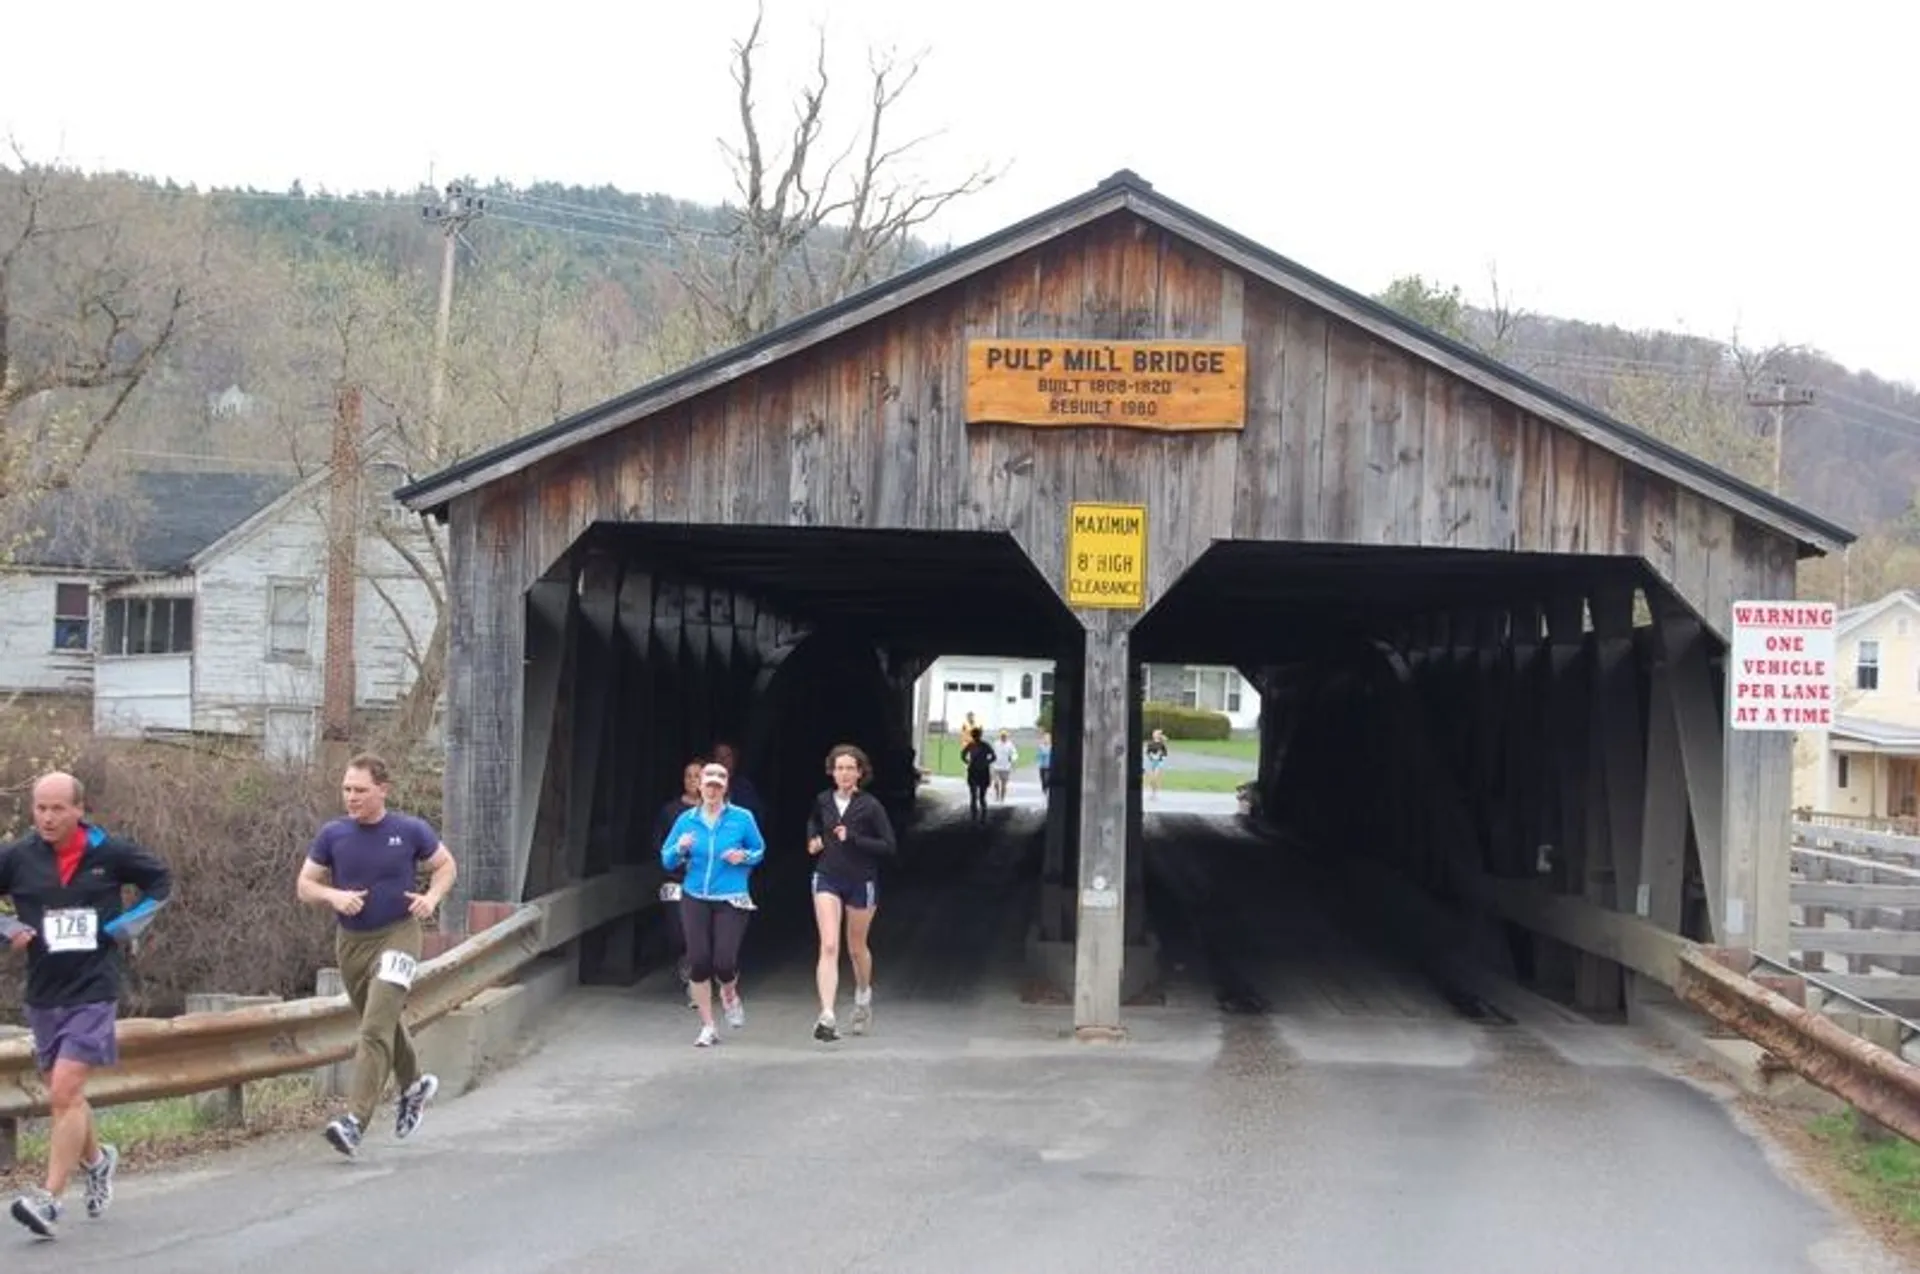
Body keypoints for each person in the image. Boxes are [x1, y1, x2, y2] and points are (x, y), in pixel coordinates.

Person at [0, 770, 172, 1240]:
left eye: (58, 808)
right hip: (44, 992)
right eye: (40, 808)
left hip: (94, 989)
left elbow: (161, 883)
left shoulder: (111, 853)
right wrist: (8, 929)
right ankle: (97, 1161)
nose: (48, 817)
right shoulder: (17, 857)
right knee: (65, 1093)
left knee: (63, 1091)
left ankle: (50, 1200)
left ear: (79, 809)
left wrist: (124, 927)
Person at [298, 752, 458, 1158]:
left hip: (400, 934)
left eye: (360, 790)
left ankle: (355, 1122)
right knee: (382, 1019)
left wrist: (432, 898)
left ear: (382, 790)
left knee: (372, 1029)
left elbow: (446, 866)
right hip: (351, 942)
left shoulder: (409, 830)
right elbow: (305, 885)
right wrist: (333, 894)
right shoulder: (333, 835)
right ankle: (415, 1084)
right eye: (347, 789)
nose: (351, 797)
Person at [660, 761, 766, 1047]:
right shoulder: (686, 821)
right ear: (699, 786)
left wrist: (743, 856)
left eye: (719, 784)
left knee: (724, 961)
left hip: (730, 897)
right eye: (708, 783)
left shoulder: (742, 818)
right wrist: (679, 847)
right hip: (694, 895)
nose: (713, 789)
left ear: (726, 787)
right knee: (698, 961)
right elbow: (666, 858)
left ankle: (729, 993)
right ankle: (708, 1025)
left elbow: (759, 850)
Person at [805, 744, 897, 1042]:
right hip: (827, 877)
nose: (844, 773)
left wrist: (854, 838)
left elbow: (888, 846)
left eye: (850, 768)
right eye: (839, 768)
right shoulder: (823, 800)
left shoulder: (870, 806)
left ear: (860, 772)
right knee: (829, 945)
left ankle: (862, 997)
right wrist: (813, 840)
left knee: (856, 948)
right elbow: (813, 823)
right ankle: (827, 1015)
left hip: (861, 880)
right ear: (832, 771)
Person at [652, 757, 706, 1008]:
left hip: (705, 881)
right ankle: (685, 961)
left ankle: (696, 983)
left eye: (697, 776)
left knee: (701, 932)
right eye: (688, 776)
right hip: (675, 879)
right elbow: (659, 842)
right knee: (678, 932)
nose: (692, 780)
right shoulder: (670, 811)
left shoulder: (717, 811)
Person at [710, 741, 762, 821]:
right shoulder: (708, 785)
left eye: (727, 756)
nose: (722, 760)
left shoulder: (744, 787)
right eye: (719, 756)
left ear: (734, 759)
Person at [961, 727, 995, 824]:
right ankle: (982, 815)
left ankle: (974, 816)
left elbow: (963, 755)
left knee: (974, 795)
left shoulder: (971, 745)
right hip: (982, 771)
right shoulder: (985, 745)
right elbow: (993, 757)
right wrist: (986, 762)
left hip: (974, 770)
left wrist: (968, 762)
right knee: (981, 796)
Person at [990, 729, 1018, 803]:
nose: (1003, 737)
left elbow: (1014, 753)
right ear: (1000, 736)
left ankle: (1002, 798)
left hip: (1006, 767)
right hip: (996, 766)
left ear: (1007, 737)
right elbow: (991, 752)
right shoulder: (996, 744)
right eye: (1002, 736)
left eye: (1004, 736)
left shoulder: (1010, 744)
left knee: (1003, 784)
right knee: (996, 782)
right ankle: (997, 795)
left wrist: (1012, 759)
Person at [1144, 728, 1170, 801]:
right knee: (1151, 778)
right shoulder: (1150, 743)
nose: (1156, 735)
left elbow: (1165, 753)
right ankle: (1152, 793)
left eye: (1158, 734)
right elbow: (1147, 752)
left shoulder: (1162, 744)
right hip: (1151, 761)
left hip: (1159, 762)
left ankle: (1154, 793)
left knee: (1156, 777)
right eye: (1155, 734)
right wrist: (1151, 756)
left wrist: (1160, 754)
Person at [1036, 730, 1054, 796]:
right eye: (1045, 738)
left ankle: (1047, 787)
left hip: (1049, 766)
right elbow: (1038, 755)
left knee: (1047, 778)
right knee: (1042, 779)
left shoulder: (1052, 747)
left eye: (1048, 738)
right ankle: (1044, 789)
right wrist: (1038, 762)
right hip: (1042, 766)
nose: (1046, 739)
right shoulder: (1041, 747)